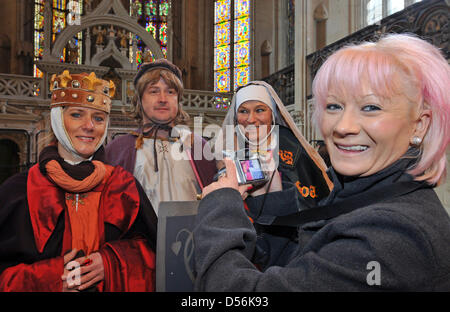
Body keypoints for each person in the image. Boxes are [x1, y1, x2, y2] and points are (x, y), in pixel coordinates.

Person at [193, 34, 450, 291]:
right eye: (334, 106)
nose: (343, 127)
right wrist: (269, 198)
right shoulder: (367, 195)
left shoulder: (391, 235)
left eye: (371, 107)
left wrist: (221, 206)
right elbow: (305, 268)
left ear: (420, 124)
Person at [0, 71, 158, 292]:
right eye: (76, 115)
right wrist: (51, 278)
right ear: (57, 119)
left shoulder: (123, 187)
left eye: (98, 118)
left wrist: (111, 264)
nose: (89, 126)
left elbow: (157, 258)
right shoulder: (18, 191)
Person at [106, 59, 216, 215]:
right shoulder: (119, 149)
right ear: (139, 99)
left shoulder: (197, 145)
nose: (163, 99)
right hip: (141, 238)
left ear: (178, 100)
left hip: (193, 236)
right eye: (154, 91)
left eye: (170, 92)